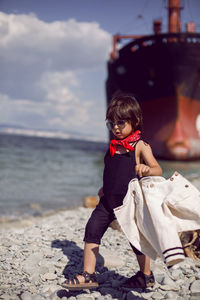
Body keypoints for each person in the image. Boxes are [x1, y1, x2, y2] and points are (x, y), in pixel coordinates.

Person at [62, 94, 162, 290]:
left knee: (136, 238)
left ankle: (146, 275)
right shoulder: (113, 147)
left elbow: (157, 168)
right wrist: (103, 188)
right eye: (111, 124)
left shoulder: (140, 146)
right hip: (107, 200)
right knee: (92, 228)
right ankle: (88, 274)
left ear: (136, 121)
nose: (116, 127)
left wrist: (147, 169)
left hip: (129, 203)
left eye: (121, 123)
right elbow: (112, 171)